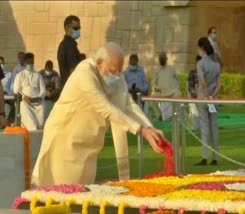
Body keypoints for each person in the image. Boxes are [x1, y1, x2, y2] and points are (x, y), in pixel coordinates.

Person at [32, 42, 166, 186]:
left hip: (89, 148)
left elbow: (128, 105)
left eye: (120, 71)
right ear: (99, 63)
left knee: (84, 198)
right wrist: (141, 130)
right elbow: (106, 108)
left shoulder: (116, 76)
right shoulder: (84, 73)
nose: (118, 75)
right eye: (114, 71)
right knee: (62, 196)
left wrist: (149, 128)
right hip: (65, 143)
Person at [195, 37, 221, 166]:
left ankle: (205, 157)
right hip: (213, 99)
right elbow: (219, 84)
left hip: (203, 98)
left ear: (202, 47)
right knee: (214, 127)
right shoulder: (216, 63)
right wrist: (212, 96)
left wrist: (206, 96)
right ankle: (215, 157)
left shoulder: (200, 63)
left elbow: (203, 83)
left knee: (205, 128)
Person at [13, 53, 45, 131]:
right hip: (25, 101)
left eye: (32, 62)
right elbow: (16, 90)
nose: (31, 64)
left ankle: (39, 128)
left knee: (42, 107)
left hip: (37, 101)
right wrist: (24, 97)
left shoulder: (38, 75)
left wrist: (39, 98)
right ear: (25, 63)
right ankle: (32, 129)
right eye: (29, 63)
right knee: (23, 106)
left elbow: (43, 90)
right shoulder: (19, 75)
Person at [151, 52, 182, 121]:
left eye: (163, 58)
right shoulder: (156, 70)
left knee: (178, 94)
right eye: (160, 58)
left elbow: (177, 80)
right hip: (162, 93)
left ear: (166, 59)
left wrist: (176, 87)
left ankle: (176, 117)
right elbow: (153, 83)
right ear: (159, 60)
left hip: (172, 92)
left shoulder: (171, 69)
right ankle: (159, 115)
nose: (162, 59)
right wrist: (156, 88)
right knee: (152, 97)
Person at [57, 15, 83, 88]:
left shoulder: (64, 44)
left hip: (67, 87)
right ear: (67, 28)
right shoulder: (69, 45)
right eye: (75, 28)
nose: (78, 30)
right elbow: (73, 70)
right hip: (72, 87)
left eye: (79, 28)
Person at [0, 56, 15, 125]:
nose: (1, 66)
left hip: (8, 96)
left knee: (14, 105)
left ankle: (9, 122)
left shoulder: (9, 75)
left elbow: (12, 87)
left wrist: (7, 92)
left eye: (2, 64)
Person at [188, 55, 202, 130]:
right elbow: (190, 87)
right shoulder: (192, 73)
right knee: (195, 116)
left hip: (203, 97)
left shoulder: (205, 73)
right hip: (194, 97)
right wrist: (195, 93)